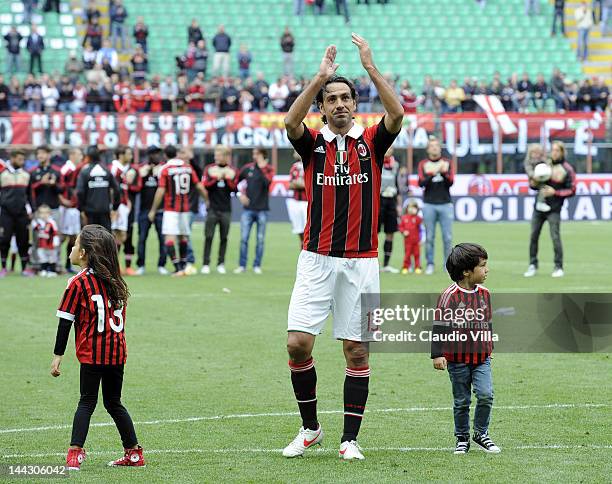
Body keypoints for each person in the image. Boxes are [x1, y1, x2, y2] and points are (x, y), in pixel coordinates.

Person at [282, 34, 403, 460]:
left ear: (355, 103)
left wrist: (370, 66)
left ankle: (349, 440)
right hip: (315, 260)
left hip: (361, 263)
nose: (339, 104)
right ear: (322, 107)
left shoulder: (372, 143)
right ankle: (310, 427)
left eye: (345, 98)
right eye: (331, 99)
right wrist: (318, 77)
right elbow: (290, 123)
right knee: (298, 343)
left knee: (356, 349)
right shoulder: (313, 146)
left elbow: (398, 113)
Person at [51, 225, 145, 470]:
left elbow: (65, 322)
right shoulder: (116, 281)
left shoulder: (78, 283)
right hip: (117, 353)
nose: (71, 248)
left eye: (74, 245)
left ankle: (74, 454)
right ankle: (134, 453)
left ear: (83, 253)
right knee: (114, 402)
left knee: (86, 402)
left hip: (93, 354)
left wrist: (58, 355)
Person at [432, 243, 500, 455]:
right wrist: (437, 354)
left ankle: (481, 433)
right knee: (462, 401)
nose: (487, 270)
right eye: (483, 266)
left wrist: (490, 345)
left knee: (486, 394)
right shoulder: (449, 296)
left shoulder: (485, 294)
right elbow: (439, 326)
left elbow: (486, 322)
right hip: (457, 360)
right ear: (466, 271)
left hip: (481, 358)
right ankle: (462, 438)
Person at [148, 145, 207, 276]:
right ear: (176, 153)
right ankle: (183, 266)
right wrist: (207, 200)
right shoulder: (187, 167)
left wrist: (153, 209)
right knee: (183, 237)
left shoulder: (165, 169)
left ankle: (178, 267)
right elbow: (199, 186)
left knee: (169, 239)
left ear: (165, 155)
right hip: (185, 209)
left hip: (171, 209)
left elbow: (161, 190)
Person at [524, 141, 576, 278]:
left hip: (554, 209)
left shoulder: (567, 169)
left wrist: (556, 193)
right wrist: (533, 183)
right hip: (538, 207)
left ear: (562, 152)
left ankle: (558, 267)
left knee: (555, 237)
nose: (554, 153)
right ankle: (532, 265)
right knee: (533, 236)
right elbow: (534, 186)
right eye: (552, 150)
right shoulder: (545, 165)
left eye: (557, 150)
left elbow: (572, 190)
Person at [234, 148, 275, 274]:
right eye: (253, 154)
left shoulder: (268, 169)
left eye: (256, 154)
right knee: (244, 238)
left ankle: (257, 265)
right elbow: (235, 182)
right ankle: (242, 265)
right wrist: (240, 195)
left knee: (260, 239)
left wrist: (261, 168)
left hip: (262, 209)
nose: (254, 156)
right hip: (248, 209)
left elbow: (267, 183)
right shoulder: (247, 168)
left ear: (263, 155)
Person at [418, 136, 454, 275]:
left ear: (440, 148)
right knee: (430, 236)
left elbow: (450, 182)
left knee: (447, 237)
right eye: (432, 146)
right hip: (429, 204)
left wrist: (443, 172)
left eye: (436, 146)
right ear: (428, 149)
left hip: (445, 203)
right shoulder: (423, 164)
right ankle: (430, 264)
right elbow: (421, 183)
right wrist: (434, 173)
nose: (434, 148)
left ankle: (448, 265)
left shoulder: (447, 162)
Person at [201, 145, 237, 274]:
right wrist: (217, 179)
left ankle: (221, 263)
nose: (216, 157)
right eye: (216, 155)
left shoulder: (231, 170)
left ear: (226, 156)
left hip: (226, 209)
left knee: (224, 237)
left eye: (219, 155)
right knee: (208, 236)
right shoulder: (209, 169)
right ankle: (205, 263)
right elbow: (205, 185)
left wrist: (226, 179)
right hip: (212, 208)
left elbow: (234, 188)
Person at [0, 150, 34, 277]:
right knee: (4, 240)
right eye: (20, 159)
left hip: (21, 213)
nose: (22, 162)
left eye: (23, 159)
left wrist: (33, 210)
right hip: (5, 213)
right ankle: (3, 268)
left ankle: (24, 269)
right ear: (12, 158)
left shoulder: (26, 175)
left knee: (23, 240)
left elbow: (30, 195)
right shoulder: (2, 174)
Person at [135, 146, 167, 275]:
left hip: (161, 209)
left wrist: (159, 173)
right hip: (144, 209)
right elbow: (135, 187)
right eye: (154, 154)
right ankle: (141, 265)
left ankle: (161, 265)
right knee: (142, 238)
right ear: (149, 155)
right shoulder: (142, 169)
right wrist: (142, 174)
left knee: (162, 238)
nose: (156, 156)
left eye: (158, 153)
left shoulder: (163, 169)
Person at [110, 146, 141, 275]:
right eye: (128, 153)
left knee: (121, 235)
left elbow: (122, 188)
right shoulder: (114, 168)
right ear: (120, 155)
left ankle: (114, 266)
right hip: (117, 207)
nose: (131, 156)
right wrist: (114, 207)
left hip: (122, 206)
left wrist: (126, 200)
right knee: (116, 235)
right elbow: (111, 189)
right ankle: (112, 266)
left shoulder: (122, 169)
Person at [76, 146, 121, 231]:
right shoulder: (106, 171)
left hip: (89, 213)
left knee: (89, 240)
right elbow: (117, 189)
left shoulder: (85, 172)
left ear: (88, 157)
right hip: (105, 211)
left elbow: (79, 192)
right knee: (105, 240)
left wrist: (81, 209)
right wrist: (115, 207)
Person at [59, 148, 83, 273]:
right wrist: (62, 200)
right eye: (79, 154)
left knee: (73, 238)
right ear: (72, 154)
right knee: (61, 236)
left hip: (74, 207)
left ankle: (67, 264)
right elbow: (59, 186)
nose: (81, 157)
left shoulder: (76, 169)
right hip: (66, 208)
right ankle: (55, 263)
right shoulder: (66, 169)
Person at [378, 147, 401, 273]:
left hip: (391, 200)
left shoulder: (395, 164)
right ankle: (373, 264)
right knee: (373, 233)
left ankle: (386, 264)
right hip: (378, 199)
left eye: (391, 147)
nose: (388, 149)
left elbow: (397, 185)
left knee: (390, 232)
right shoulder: (376, 160)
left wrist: (399, 205)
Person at [286, 150, 308, 245]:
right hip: (296, 201)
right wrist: (301, 184)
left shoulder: (310, 163)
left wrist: (299, 184)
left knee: (308, 231)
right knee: (299, 231)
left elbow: (310, 184)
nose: (294, 153)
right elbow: (290, 184)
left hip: (307, 202)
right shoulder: (295, 166)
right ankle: (302, 255)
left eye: (296, 151)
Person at [32, 204, 59, 277]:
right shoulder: (38, 223)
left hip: (50, 245)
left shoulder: (51, 222)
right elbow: (34, 229)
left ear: (49, 213)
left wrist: (55, 242)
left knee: (52, 258)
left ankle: (52, 271)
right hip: (42, 244)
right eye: (42, 213)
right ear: (39, 214)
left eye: (46, 213)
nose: (44, 215)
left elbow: (55, 233)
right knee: (43, 258)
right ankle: (43, 270)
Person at [399, 200, 422, 274]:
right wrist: (403, 231)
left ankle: (417, 267)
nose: (411, 209)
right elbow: (400, 227)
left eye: (414, 208)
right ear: (407, 208)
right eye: (410, 207)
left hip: (416, 241)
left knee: (417, 254)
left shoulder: (417, 218)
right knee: (407, 254)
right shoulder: (404, 218)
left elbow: (421, 227)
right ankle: (405, 267)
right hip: (407, 241)